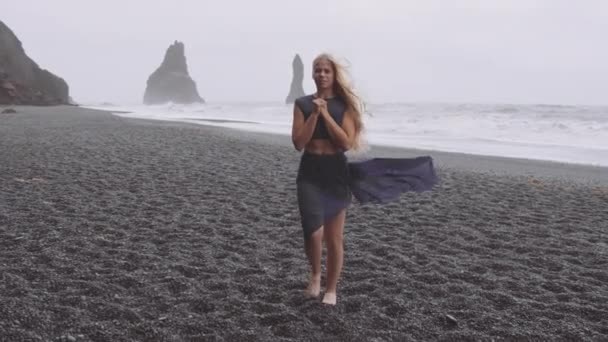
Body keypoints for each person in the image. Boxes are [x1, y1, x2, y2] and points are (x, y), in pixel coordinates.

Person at [291, 53, 438, 305]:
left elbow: (346, 142)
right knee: (312, 231)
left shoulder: (344, 106)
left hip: (336, 172)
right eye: (318, 70)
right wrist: (315, 114)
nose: (322, 74)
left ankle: (331, 289)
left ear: (334, 74)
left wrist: (326, 115)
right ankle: (315, 275)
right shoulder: (303, 104)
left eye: (326, 70)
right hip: (309, 172)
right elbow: (298, 143)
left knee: (334, 237)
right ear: (312, 74)